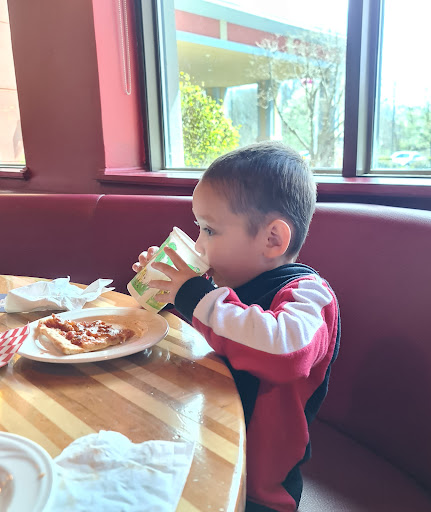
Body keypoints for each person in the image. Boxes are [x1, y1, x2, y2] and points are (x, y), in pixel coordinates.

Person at [132, 141, 340, 512]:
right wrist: (166, 290)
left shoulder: (309, 296)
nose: (199, 245)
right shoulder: (225, 287)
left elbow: (284, 350)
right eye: (199, 228)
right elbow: (219, 330)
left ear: (272, 239)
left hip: (258, 490)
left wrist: (192, 294)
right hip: (205, 451)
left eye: (210, 230)